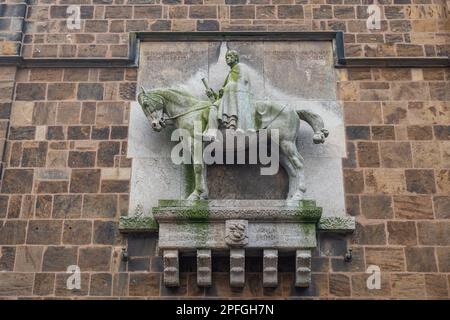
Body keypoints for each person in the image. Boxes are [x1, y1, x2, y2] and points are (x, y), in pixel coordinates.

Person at [205, 50, 255, 132]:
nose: (227, 58)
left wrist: (228, 87)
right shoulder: (230, 74)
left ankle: (221, 128)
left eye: (230, 56)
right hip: (227, 99)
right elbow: (220, 98)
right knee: (213, 108)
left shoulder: (241, 67)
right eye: (226, 57)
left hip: (238, 98)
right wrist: (212, 95)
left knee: (215, 107)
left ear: (236, 58)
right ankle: (212, 132)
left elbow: (244, 83)